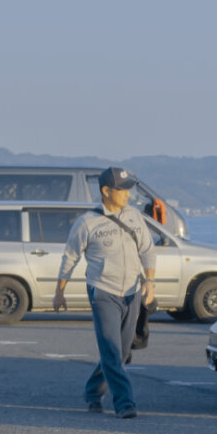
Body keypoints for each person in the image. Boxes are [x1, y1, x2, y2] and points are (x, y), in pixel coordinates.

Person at [54, 166, 156, 419]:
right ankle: (124, 403)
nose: (127, 196)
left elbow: (147, 250)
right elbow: (70, 257)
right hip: (103, 292)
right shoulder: (87, 222)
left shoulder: (133, 216)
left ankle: (92, 391)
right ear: (106, 191)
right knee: (111, 350)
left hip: (132, 292)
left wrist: (150, 281)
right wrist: (60, 291)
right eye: (122, 191)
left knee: (120, 352)